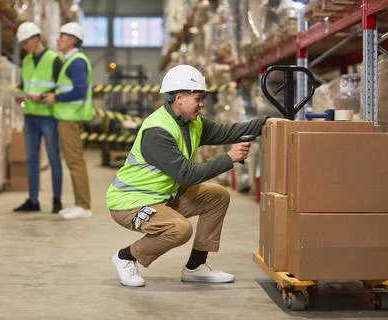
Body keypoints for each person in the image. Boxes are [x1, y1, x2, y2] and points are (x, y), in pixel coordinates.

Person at [106, 64, 281, 287]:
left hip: (162, 197)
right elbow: (187, 175)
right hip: (131, 202)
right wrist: (228, 158)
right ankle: (126, 257)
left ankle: (195, 267)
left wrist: (265, 122)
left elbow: (228, 132)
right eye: (198, 98)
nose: (202, 104)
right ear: (179, 97)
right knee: (179, 229)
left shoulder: (192, 123)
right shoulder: (157, 131)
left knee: (217, 196)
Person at [42, 22, 93, 220]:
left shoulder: (77, 62)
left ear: (71, 40)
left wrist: (56, 98)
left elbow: (79, 91)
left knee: (75, 162)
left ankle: (84, 205)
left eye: (62, 36)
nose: (58, 40)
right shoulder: (71, 61)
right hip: (66, 117)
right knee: (73, 161)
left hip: (70, 118)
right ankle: (80, 203)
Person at [13, 21, 64, 214]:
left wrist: (44, 95)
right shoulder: (26, 61)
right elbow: (24, 85)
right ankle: (33, 201)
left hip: (48, 117)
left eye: (26, 43)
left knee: (53, 158)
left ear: (36, 39)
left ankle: (57, 201)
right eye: (22, 44)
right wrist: (20, 95)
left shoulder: (54, 59)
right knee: (32, 159)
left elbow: (61, 87)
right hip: (30, 117)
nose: (24, 47)